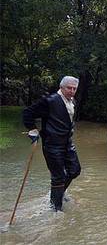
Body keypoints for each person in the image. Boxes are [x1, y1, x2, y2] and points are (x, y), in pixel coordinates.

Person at [23, 76, 81, 211]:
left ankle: (57, 193)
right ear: (61, 87)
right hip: (52, 145)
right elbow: (27, 113)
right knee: (58, 177)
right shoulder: (50, 101)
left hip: (67, 143)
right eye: (69, 88)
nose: (72, 91)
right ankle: (55, 210)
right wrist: (32, 130)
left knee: (74, 170)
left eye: (74, 89)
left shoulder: (72, 101)